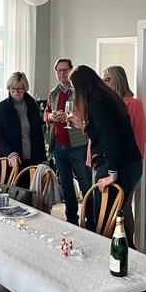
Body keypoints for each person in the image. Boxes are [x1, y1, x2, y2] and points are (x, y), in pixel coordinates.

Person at [68, 65, 142, 246]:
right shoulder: (109, 96)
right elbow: (103, 132)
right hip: (129, 163)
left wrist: (112, 173)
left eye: (74, 87)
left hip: (115, 164)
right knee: (116, 219)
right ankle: (125, 255)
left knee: (105, 223)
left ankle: (113, 257)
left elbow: (110, 138)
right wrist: (84, 126)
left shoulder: (96, 100)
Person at [43, 58, 91, 225]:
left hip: (78, 145)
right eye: (59, 70)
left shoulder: (80, 91)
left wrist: (70, 117)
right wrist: (51, 116)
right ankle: (71, 220)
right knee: (66, 185)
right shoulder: (53, 93)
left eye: (65, 70)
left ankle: (91, 220)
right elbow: (46, 113)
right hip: (59, 146)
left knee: (85, 183)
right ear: (56, 73)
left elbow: (88, 115)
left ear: (71, 70)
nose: (62, 73)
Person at [0, 72, 46, 181]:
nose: (16, 92)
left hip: (32, 159)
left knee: (30, 191)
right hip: (10, 159)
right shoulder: (1, 108)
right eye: (13, 89)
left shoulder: (33, 106)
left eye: (20, 89)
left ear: (25, 88)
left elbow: (39, 135)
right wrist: (11, 154)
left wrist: (43, 160)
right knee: (10, 190)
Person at [101, 66, 146, 158]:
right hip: (102, 158)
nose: (103, 84)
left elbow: (139, 135)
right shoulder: (101, 103)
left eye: (107, 80)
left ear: (118, 80)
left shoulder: (134, 104)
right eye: (102, 81)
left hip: (125, 158)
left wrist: (137, 160)